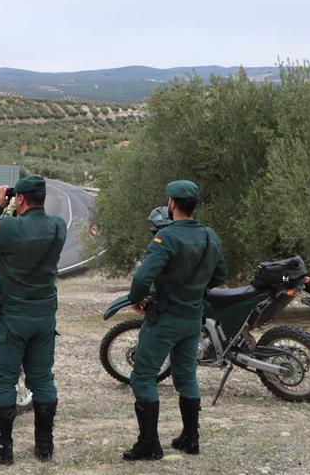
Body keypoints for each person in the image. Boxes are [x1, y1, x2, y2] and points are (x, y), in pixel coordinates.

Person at [122, 180, 228, 461]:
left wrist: (137, 297)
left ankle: (149, 445)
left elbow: (143, 277)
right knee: (186, 376)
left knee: (143, 376)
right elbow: (219, 277)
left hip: (165, 318)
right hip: (193, 319)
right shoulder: (209, 236)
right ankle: (190, 438)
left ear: (171, 203)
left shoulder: (166, 237)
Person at [0, 175, 67, 465]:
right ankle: (44, 447)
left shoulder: (10, 227)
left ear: (19, 199)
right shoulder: (58, 226)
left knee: (3, 382)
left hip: (11, 316)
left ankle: (1, 450)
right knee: (42, 378)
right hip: (44, 315)